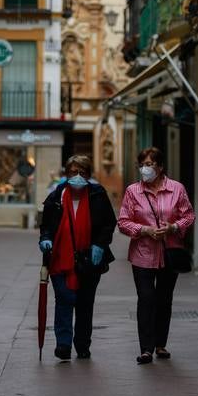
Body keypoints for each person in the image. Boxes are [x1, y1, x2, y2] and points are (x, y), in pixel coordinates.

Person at [118, 146, 195, 365]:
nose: (145, 169)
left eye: (149, 164)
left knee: (164, 299)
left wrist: (173, 228)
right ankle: (146, 349)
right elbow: (123, 222)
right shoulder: (133, 191)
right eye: (141, 165)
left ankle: (161, 344)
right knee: (146, 299)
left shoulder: (176, 189)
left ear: (160, 167)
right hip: (142, 254)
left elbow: (189, 216)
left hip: (169, 253)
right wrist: (145, 230)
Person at [39, 154, 116, 361]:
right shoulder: (56, 196)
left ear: (89, 175)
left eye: (82, 172)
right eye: (73, 172)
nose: (78, 176)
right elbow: (45, 225)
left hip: (89, 260)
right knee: (64, 298)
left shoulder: (97, 194)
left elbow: (109, 223)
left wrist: (100, 244)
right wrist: (45, 239)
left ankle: (82, 345)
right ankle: (63, 345)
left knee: (84, 303)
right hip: (60, 258)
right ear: (67, 174)